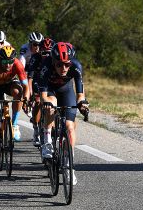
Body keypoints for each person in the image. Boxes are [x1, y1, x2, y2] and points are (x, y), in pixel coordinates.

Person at [39, 42, 89, 186]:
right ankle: (47, 140)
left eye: (67, 64)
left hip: (66, 91)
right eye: (59, 65)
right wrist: (47, 103)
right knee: (51, 105)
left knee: (70, 127)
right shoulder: (46, 66)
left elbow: (80, 94)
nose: (64, 68)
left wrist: (82, 103)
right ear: (53, 61)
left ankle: (69, 165)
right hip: (50, 90)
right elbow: (43, 97)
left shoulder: (76, 66)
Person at [0, 46, 30, 167]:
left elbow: (25, 86)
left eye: (10, 62)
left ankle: (14, 124)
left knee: (18, 93)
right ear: (0, 59)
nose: (8, 65)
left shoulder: (18, 64)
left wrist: (25, 99)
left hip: (9, 83)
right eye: (5, 62)